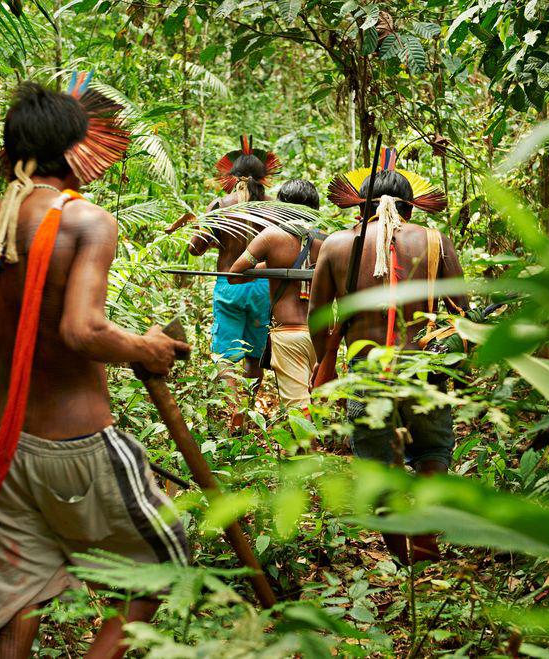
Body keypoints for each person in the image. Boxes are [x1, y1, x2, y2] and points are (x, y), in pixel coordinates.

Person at [0, 79, 190, 659]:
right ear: (79, 149)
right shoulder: (87, 221)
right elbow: (83, 329)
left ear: (11, 152)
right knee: (164, 561)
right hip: (78, 448)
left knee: (16, 607)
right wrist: (146, 347)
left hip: (3, 454)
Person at [308, 163, 467, 564]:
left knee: (377, 471)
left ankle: (404, 559)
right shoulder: (436, 241)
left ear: (360, 207)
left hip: (367, 374)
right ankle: (426, 552)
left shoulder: (338, 245)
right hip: (425, 371)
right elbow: (461, 314)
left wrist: (325, 360)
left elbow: (319, 319)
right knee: (433, 455)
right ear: (411, 208)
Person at [188, 136, 281, 429]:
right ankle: (248, 410)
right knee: (254, 355)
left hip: (228, 285)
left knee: (228, 355)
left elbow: (195, 248)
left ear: (232, 178)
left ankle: (233, 414)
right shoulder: (275, 207)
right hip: (262, 287)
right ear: (264, 179)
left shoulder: (219, 204)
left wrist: (216, 238)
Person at [227, 179, 324, 412]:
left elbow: (234, 275)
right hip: (320, 336)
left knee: (299, 410)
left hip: (288, 334)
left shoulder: (271, 236)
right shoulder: (328, 241)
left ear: (283, 207)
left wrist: (272, 266)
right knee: (318, 404)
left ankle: (308, 449)